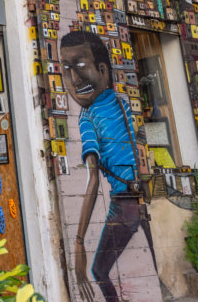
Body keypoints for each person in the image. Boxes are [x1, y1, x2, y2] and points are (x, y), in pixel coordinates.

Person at [59, 31, 156, 302]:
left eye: (79, 66)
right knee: (154, 264)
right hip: (140, 199)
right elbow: (139, 150)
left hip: (122, 203)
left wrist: (78, 243)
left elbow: (92, 182)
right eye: (66, 70)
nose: (74, 79)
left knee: (98, 270)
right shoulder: (123, 105)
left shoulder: (88, 118)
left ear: (102, 69)